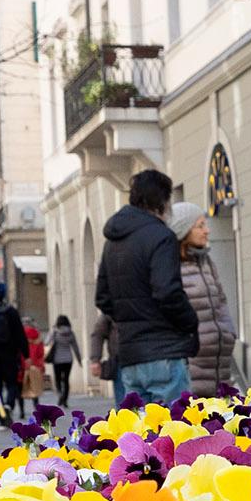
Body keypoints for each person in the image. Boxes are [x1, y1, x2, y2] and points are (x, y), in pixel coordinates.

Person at [96, 168, 198, 406]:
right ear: (162, 201)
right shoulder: (161, 236)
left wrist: (130, 320)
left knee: (140, 436)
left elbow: (103, 297)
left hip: (130, 355)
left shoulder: (113, 241)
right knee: (173, 433)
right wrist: (189, 322)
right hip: (164, 350)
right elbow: (167, 292)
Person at [173, 201, 237, 398]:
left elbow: (221, 301)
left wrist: (228, 332)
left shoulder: (207, 261)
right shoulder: (172, 265)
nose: (207, 231)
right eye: (200, 226)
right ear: (183, 231)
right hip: (194, 363)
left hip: (220, 362)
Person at [0, 284, 29, 419]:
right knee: (12, 384)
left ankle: (1, 416)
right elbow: (20, 334)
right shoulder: (11, 312)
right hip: (10, 355)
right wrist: (26, 354)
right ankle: (9, 405)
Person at [46, 314, 80, 406]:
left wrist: (52, 332)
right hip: (68, 359)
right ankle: (65, 399)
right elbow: (75, 347)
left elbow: (47, 342)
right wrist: (79, 359)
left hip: (57, 360)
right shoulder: (70, 333)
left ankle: (60, 394)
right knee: (66, 380)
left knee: (57, 379)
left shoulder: (55, 332)